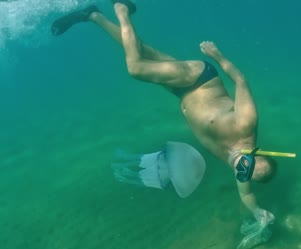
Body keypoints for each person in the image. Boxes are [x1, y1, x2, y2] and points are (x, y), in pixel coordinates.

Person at [51, 0, 276, 225]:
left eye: (246, 172)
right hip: (198, 78)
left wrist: (258, 212)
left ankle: (93, 16)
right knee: (136, 68)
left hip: (181, 91)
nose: (242, 166)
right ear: (258, 153)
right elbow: (240, 81)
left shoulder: (240, 168)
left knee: (138, 49)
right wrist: (216, 54)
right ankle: (122, 8)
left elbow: (246, 194)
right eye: (250, 162)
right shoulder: (246, 124)